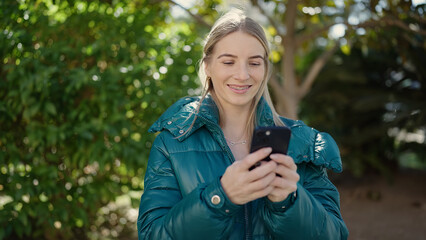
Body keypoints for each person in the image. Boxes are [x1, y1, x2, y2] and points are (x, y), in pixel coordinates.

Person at [137, 9, 349, 240]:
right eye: (228, 61)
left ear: (265, 69)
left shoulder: (303, 143)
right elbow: (152, 235)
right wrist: (220, 197)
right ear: (207, 66)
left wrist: (290, 201)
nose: (242, 74)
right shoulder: (171, 143)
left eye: (254, 63)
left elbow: (334, 235)